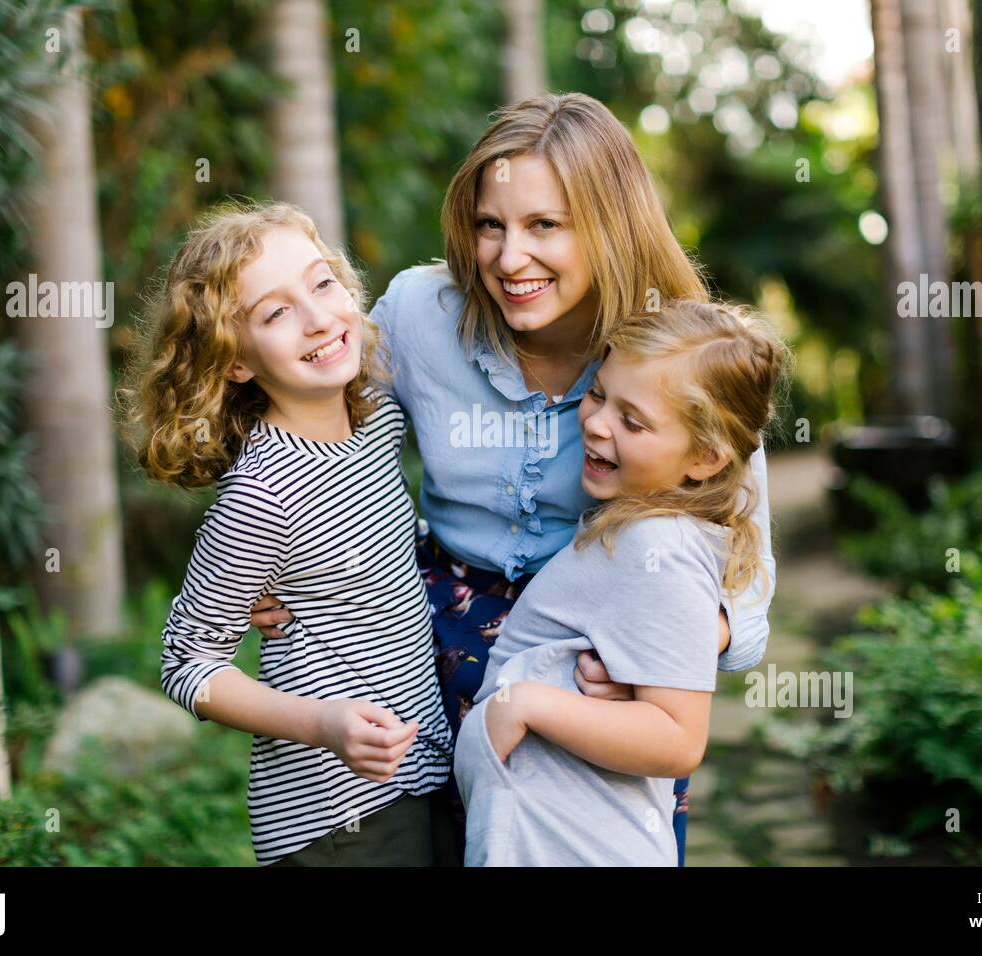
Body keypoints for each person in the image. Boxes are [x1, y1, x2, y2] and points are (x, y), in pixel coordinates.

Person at [251, 93, 777, 865]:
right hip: (417, 648)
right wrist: (281, 556)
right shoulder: (418, 315)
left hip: (596, 677)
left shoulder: (684, 354)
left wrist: (674, 636)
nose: (506, 258)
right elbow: (325, 433)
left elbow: (746, 564)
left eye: (544, 226)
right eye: (490, 224)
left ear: (609, 223)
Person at [124, 202, 454, 866]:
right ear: (235, 362)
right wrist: (322, 724)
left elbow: (376, 547)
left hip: (424, 767)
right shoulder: (262, 494)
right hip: (334, 811)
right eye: (274, 313)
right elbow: (187, 661)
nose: (317, 318)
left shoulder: (377, 413)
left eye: (322, 283)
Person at [455, 299, 787, 866]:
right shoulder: (642, 525)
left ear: (705, 457)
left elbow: (678, 739)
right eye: (599, 393)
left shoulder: (659, 547)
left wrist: (525, 704)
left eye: (633, 421)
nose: (598, 422)